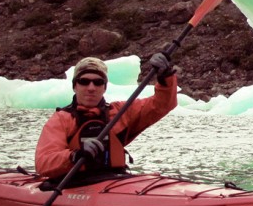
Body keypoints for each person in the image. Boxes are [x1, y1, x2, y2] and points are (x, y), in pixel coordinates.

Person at [34, 53, 177, 180]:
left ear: (105, 87)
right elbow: (44, 162)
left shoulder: (121, 112)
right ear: (74, 86)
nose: (91, 88)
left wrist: (165, 77)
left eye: (98, 82)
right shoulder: (61, 120)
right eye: (84, 81)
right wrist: (74, 155)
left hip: (114, 180)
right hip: (74, 184)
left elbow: (162, 105)